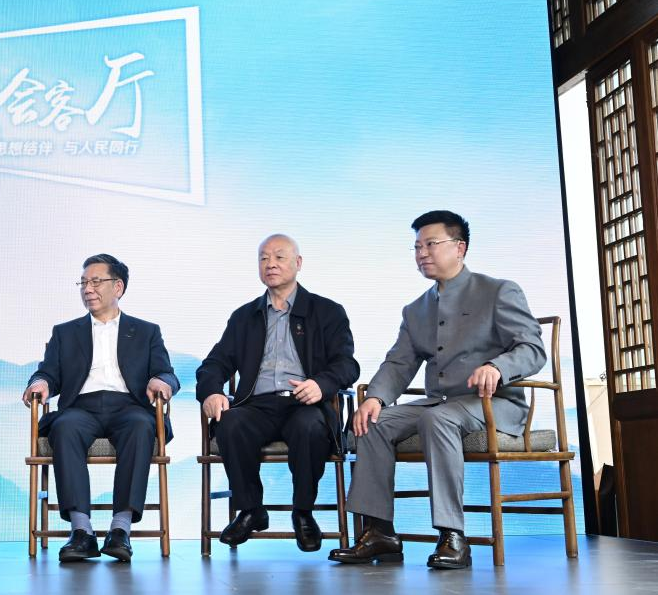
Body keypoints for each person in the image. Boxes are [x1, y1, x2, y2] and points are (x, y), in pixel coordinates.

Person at [329, 210, 547, 569]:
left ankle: (452, 535)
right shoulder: (415, 309)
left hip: (492, 403)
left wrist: (497, 367)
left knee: (438, 419)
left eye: (431, 244)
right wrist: (375, 398)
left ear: (459, 248)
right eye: (417, 247)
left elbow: (532, 349)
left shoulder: (498, 291)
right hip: (441, 402)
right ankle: (379, 532)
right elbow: (399, 364)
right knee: (371, 423)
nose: (422, 254)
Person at [195, 234, 359, 552]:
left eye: (279, 257)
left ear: (298, 263)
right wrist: (212, 392)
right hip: (256, 405)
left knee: (309, 427)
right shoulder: (244, 317)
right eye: (263, 258)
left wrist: (321, 384)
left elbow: (346, 364)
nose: (270, 263)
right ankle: (251, 510)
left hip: (304, 402)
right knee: (230, 422)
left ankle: (303, 512)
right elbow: (214, 363)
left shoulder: (327, 311)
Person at [22, 254, 179, 563]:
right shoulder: (65, 332)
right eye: (83, 283)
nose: (87, 289)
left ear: (118, 287)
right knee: (64, 427)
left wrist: (162, 381)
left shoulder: (146, 331)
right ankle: (81, 532)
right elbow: (47, 373)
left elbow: (167, 373)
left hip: (129, 406)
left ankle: (120, 529)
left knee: (141, 426)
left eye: (96, 281)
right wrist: (40, 383)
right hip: (81, 407)